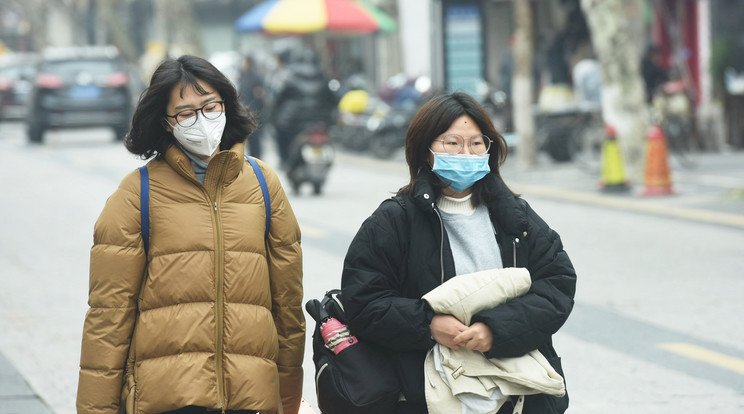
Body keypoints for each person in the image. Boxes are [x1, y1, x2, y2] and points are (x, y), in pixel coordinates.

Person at [76, 55, 305, 414]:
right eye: (185, 113)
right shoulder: (138, 194)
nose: (201, 120)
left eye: (210, 106)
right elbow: (109, 316)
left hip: (249, 397)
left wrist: (288, 398)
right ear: (166, 123)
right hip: (169, 399)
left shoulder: (263, 184)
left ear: (226, 105)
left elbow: (287, 307)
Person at [340, 92, 576, 414]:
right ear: (425, 152)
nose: (466, 153)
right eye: (452, 143)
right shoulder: (395, 220)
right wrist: (429, 324)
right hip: (428, 391)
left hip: (517, 391)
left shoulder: (514, 217)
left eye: (476, 144)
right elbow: (364, 301)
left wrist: (495, 329)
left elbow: (556, 283)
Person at [271, 50, 337, 166]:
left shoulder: (289, 77)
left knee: (281, 135)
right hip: (321, 120)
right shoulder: (323, 76)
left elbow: (280, 99)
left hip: (294, 121)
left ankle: (284, 161)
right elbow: (333, 99)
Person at [238, 55, 267, 158]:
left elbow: (260, 94)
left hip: (254, 111)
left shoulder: (255, 77)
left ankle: (257, 157)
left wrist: (255, 107)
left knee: (255, 137)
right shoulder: (243, 76)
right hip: (245, 111)